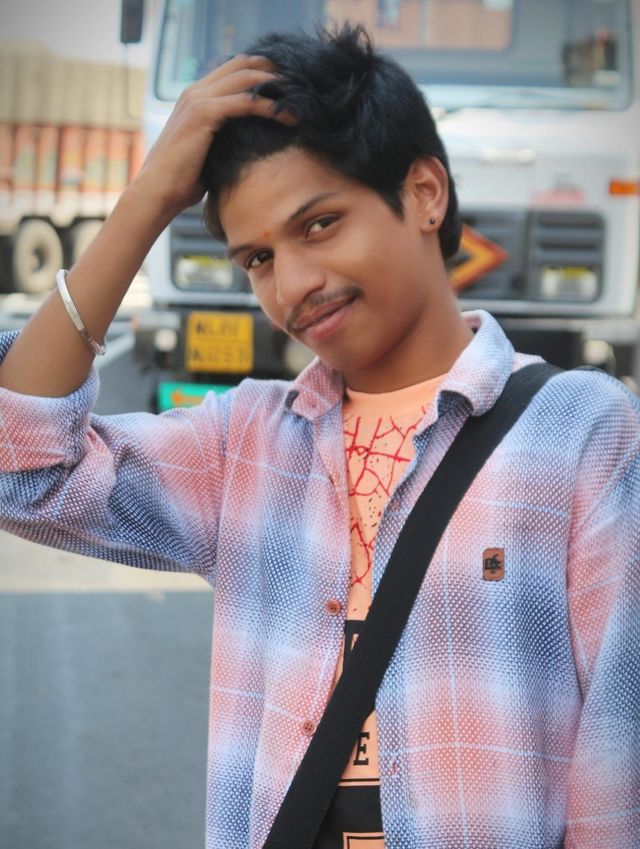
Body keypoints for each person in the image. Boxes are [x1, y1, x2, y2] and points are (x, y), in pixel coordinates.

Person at [0, 24, 638, 849]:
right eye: (258, 259)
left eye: (320, 224)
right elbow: (25, 468)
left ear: (424, 193)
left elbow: (617, 765)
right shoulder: (245, 447)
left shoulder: (582, 435)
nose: (294, 285)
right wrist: (148, 197)